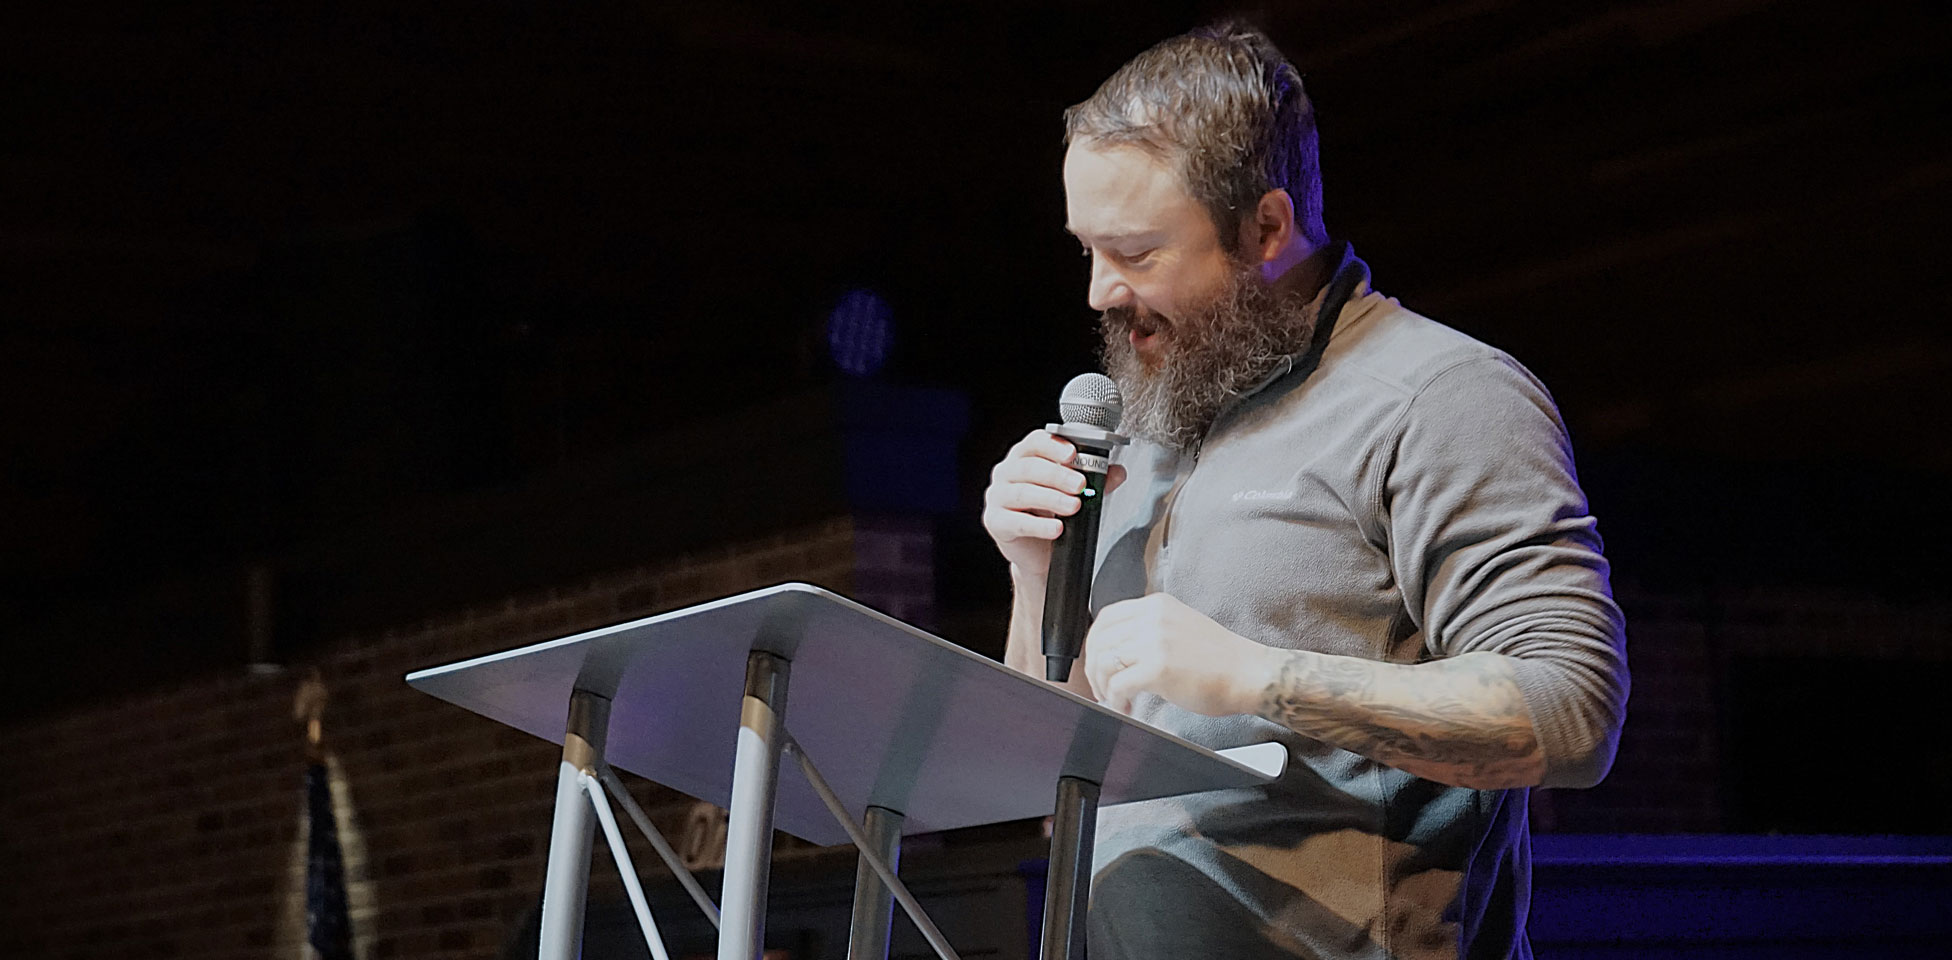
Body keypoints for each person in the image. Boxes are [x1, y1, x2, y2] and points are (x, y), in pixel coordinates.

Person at [983, 22, 1629, 960]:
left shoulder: (1440, 396)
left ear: (1269, 229)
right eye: (1086, 249)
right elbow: (1053, 769)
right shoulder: (1143, 418)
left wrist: (1260, 679)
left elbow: (1571, 712)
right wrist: (1035, 570)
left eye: (1136, 253)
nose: (1099, 293)